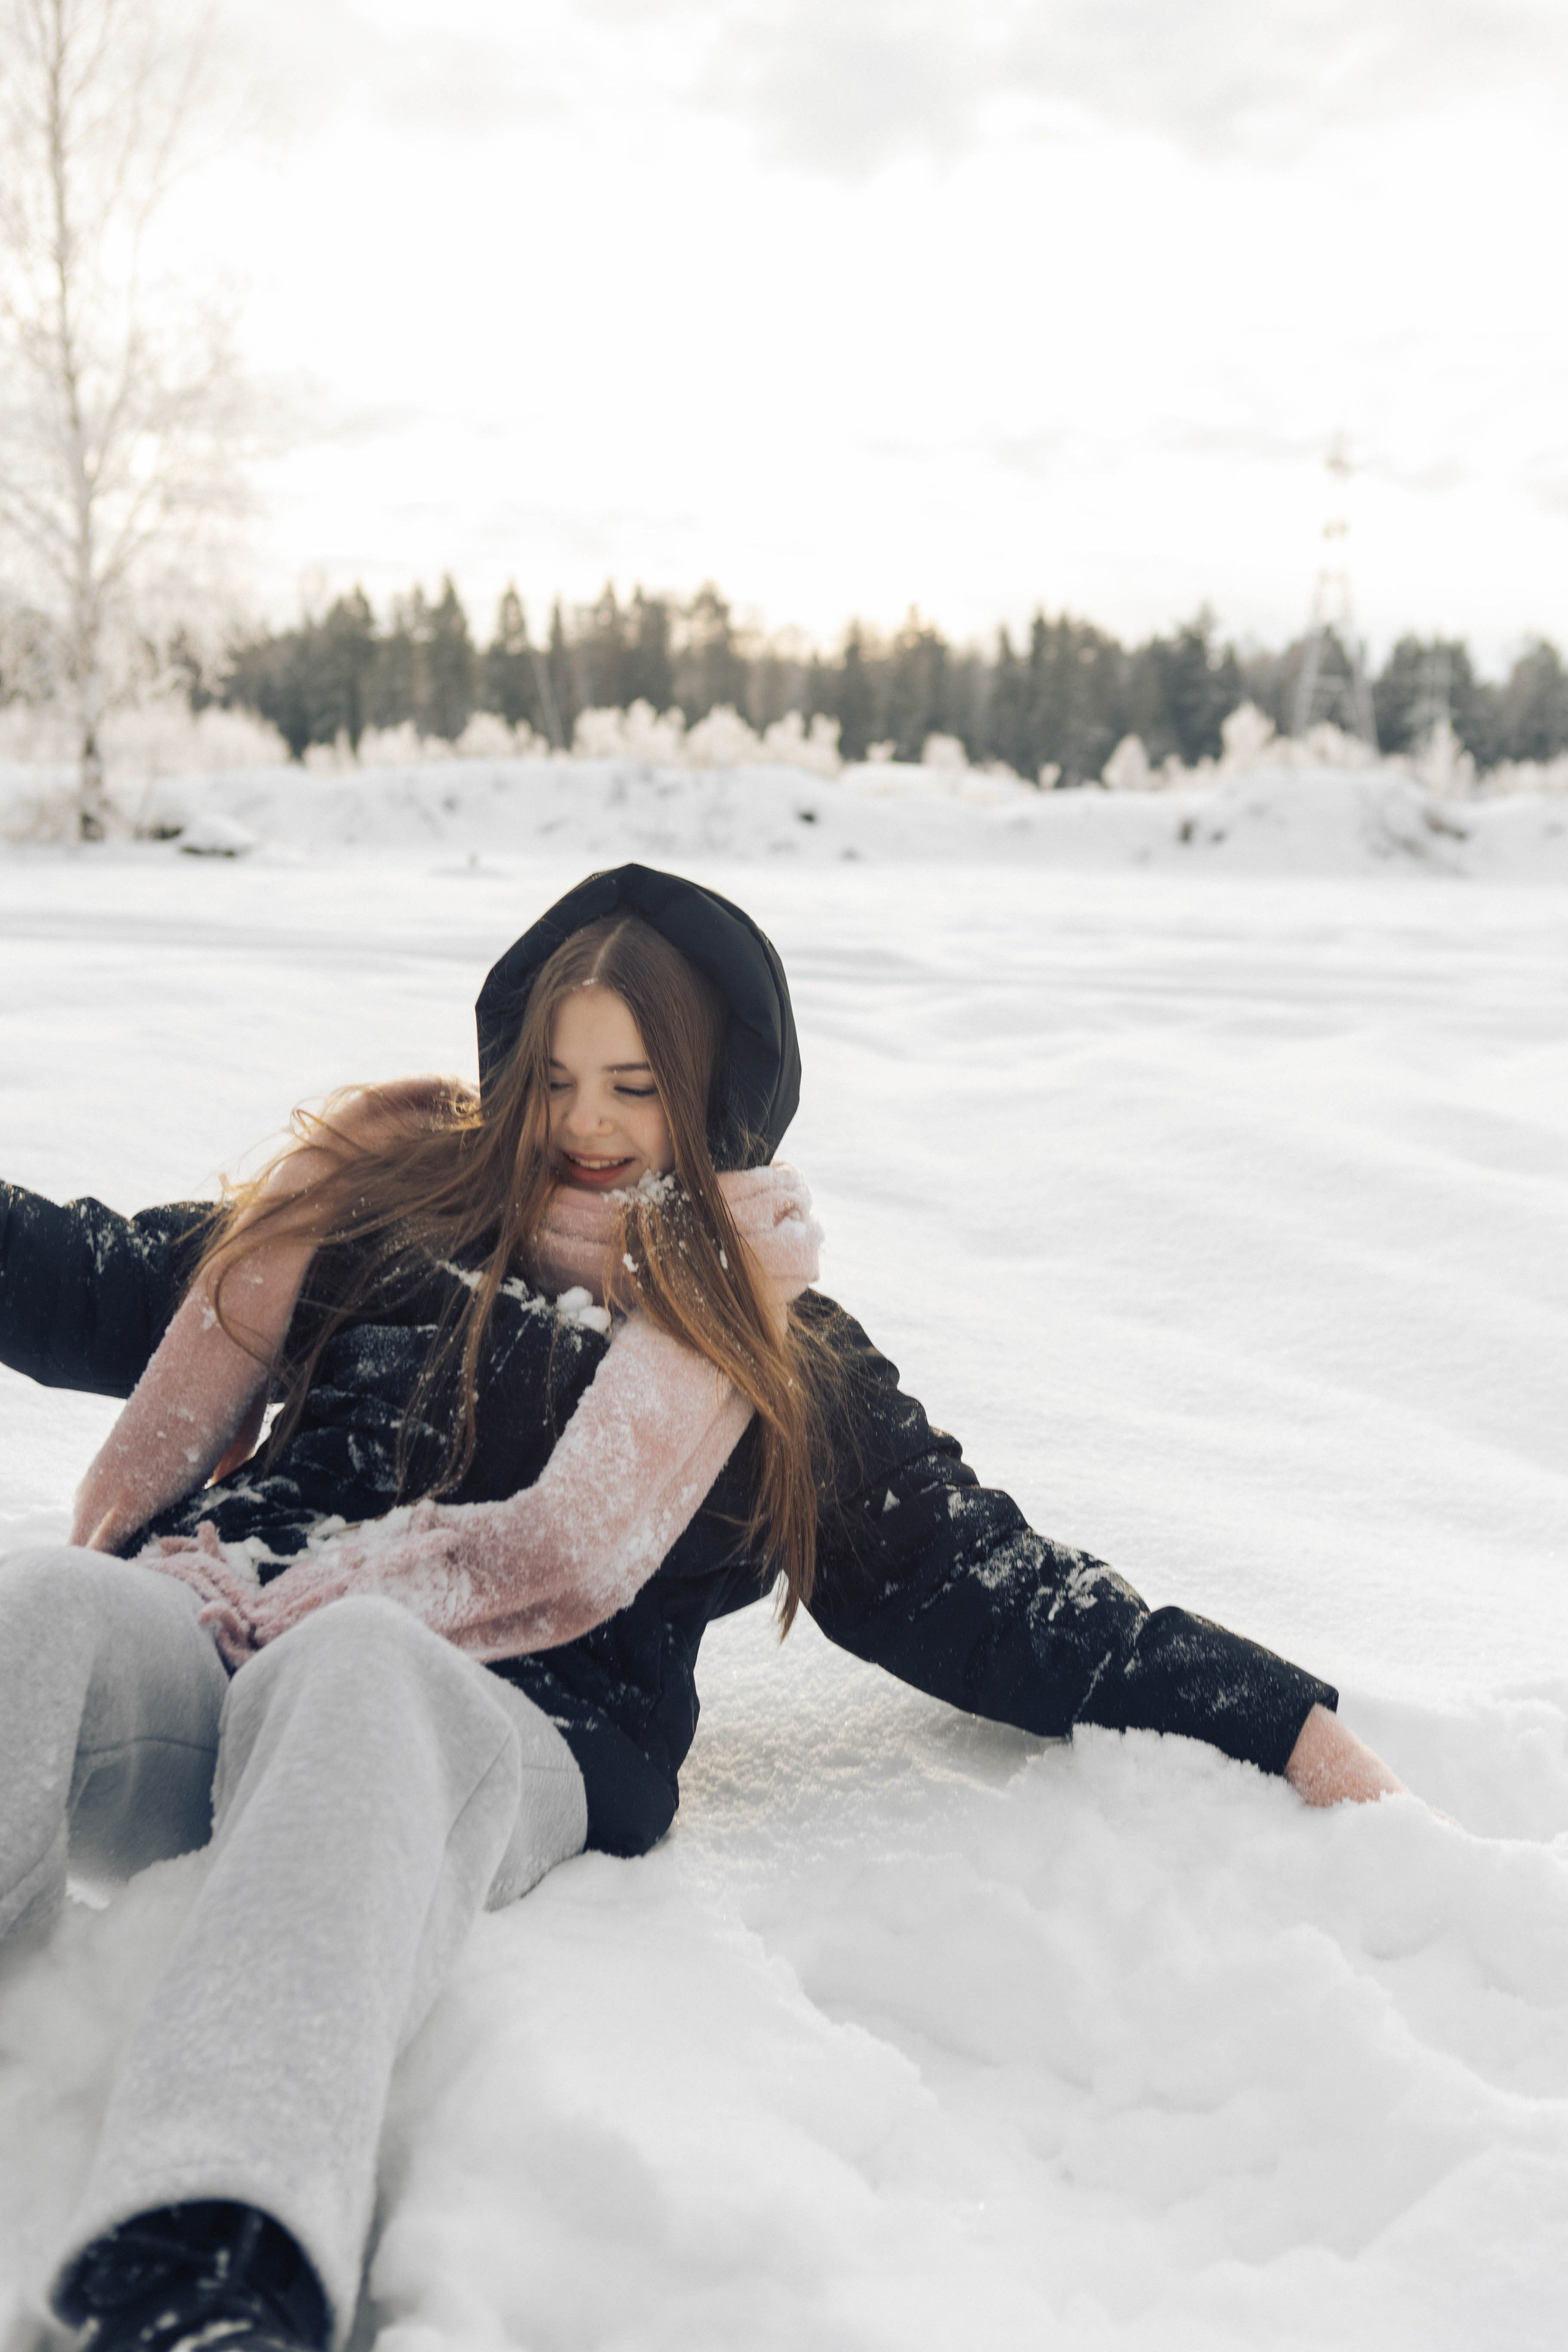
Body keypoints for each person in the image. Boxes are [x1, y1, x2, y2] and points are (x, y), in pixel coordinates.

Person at [0, 864, 1404, 2352]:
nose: (587, 1125)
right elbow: (93, 1278)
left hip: (499, 1723)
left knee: (363, 1660)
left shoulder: (762, 1344)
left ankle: (212, 2260)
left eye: (634, 1085)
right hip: (223, 1645)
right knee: (45, 1600)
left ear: (714, 1096)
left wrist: (1276, 1714)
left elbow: (986, 1590)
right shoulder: (378, 1220)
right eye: (552, 1081)